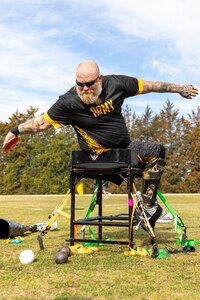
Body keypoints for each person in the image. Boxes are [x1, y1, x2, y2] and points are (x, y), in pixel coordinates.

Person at [3, 60, 198, 227]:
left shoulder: (117, 84)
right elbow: (41, 123)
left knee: (156, 151)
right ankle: (145, 208)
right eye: (81, 84)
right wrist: (15, 130)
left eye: (90, 83)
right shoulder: (68, 102)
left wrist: (179, 89)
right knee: (137, 153)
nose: (86, 89)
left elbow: (149, 86)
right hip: (96, 156)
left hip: (124, 151)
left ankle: (146, 208)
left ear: (100, 79)